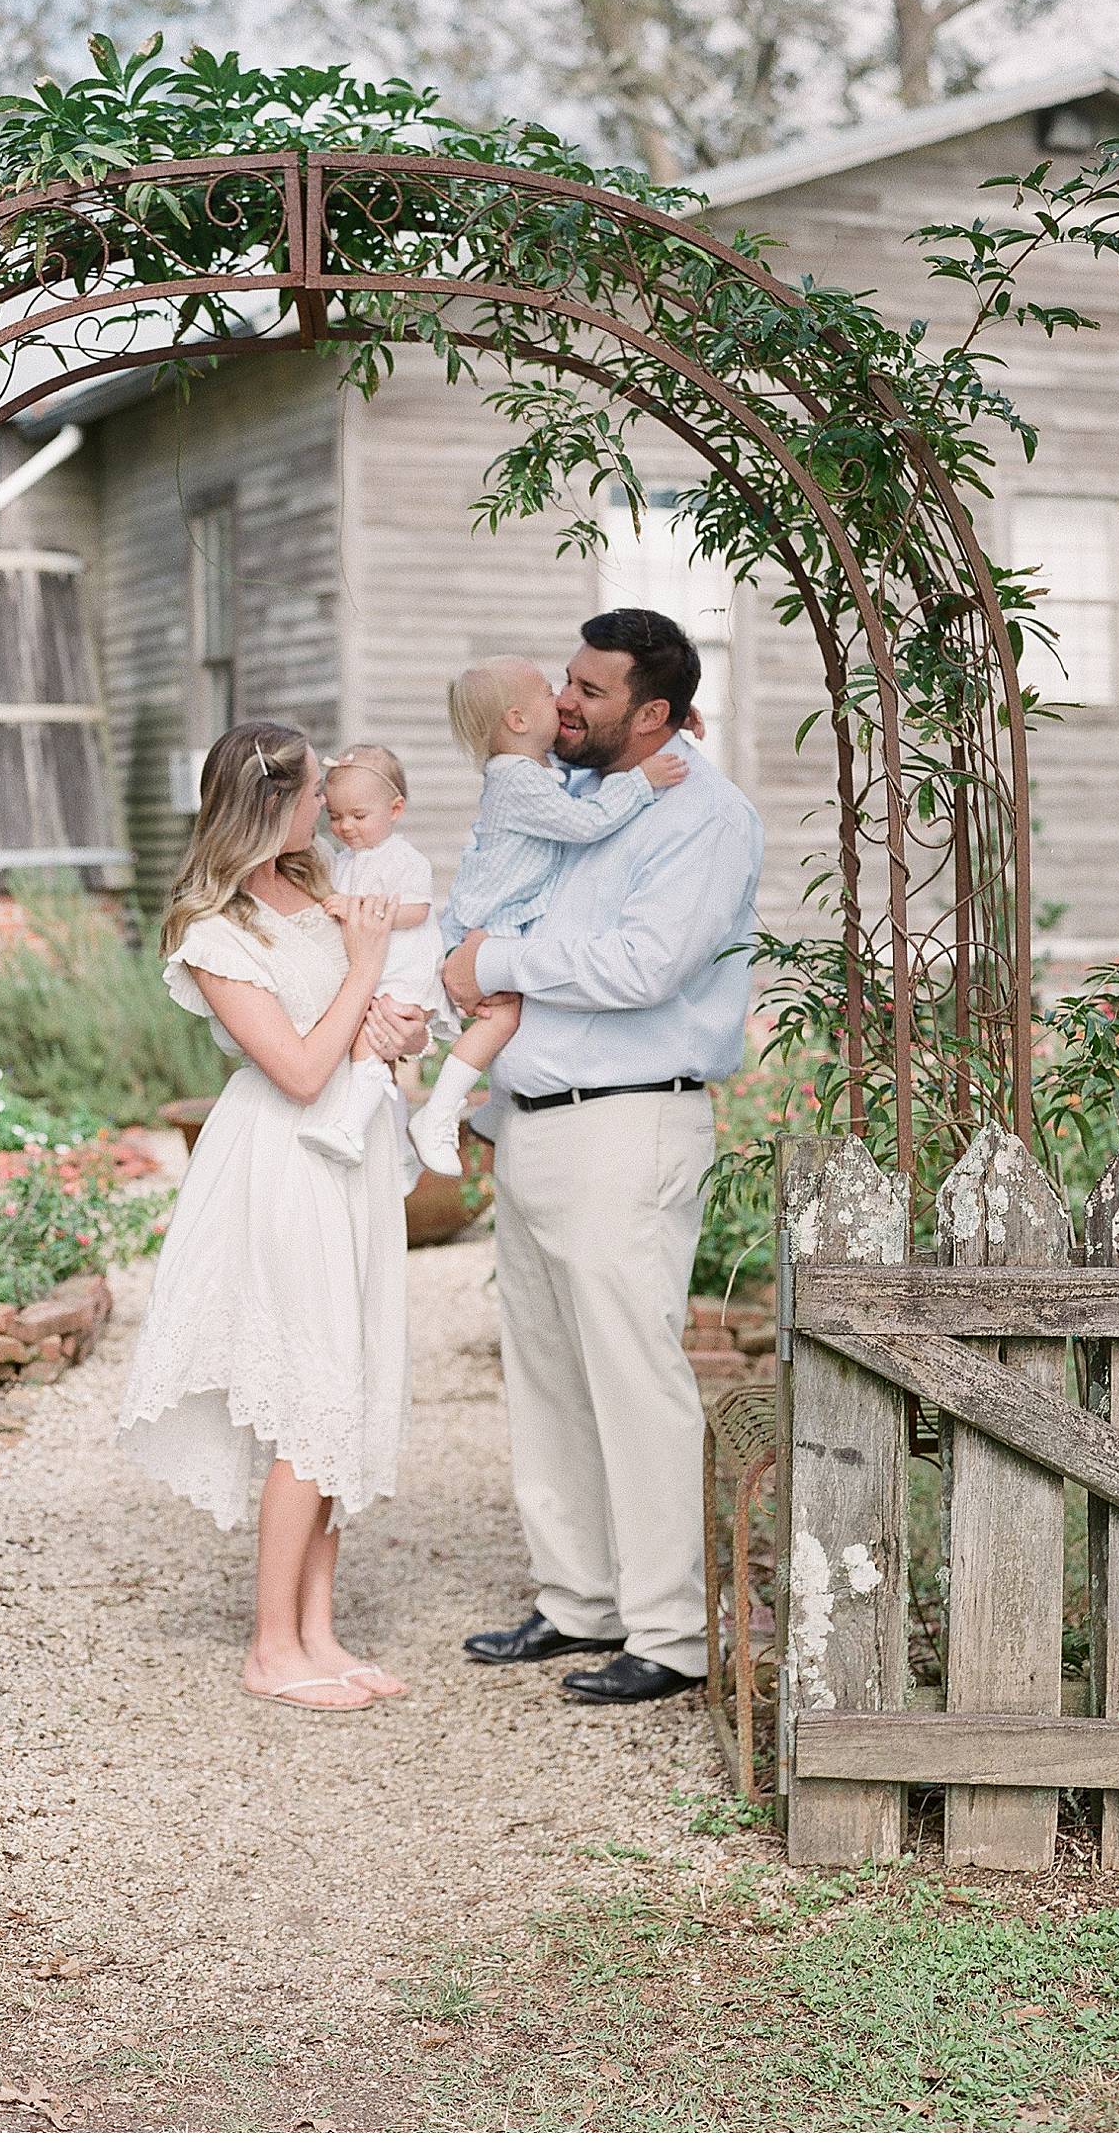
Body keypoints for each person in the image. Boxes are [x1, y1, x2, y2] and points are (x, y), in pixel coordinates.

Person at [441, 610, 763, 1705]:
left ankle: (672, 1631)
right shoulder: (568, 793)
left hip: (631, 1123)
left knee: (634, 1375)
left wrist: (492, 956)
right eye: (566, 682)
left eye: (589, 690)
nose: (564, 702)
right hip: (535, 1119)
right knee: (548, 1372)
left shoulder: (706, 817)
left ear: (656, 713)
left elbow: (645, 964)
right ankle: (580, 1597)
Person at [117, 721, 430, 1712]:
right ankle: (269, 1646)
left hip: (355, 1152)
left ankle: (318, 1630)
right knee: (307, 1394)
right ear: (269, 801)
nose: (325, 806)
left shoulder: (316, 888)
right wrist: (365, 970)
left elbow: (354, 1025)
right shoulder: (214, 931)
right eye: (309, 795)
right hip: (285, 1163)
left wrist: (398, 1020)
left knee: (345, 1382)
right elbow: (295, 1067)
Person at [407, 657, 688, 1177]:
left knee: (517, 1011)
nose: (560, 698)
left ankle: (483, 1115)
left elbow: (588, 765)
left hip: (504, 919)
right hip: (488, 925)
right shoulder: (516, 781)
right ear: (517, 720)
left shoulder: (532, 772)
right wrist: (642, 781)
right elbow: (587, 821)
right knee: (503, 1018)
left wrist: (666, 724)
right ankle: (439, 1114)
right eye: (546, 691)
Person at [299, 743, 451, 1168]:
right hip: (372, 970)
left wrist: (357, 909)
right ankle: (402, 1151)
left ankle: (350, 1128)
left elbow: (417, 910)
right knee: (372, 1059)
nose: (345, 826)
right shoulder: (344, 861)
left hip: (401, 970)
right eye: (335, 816)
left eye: (358, 816)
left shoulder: (404, 859)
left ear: (395, 809)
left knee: (370, 1043)